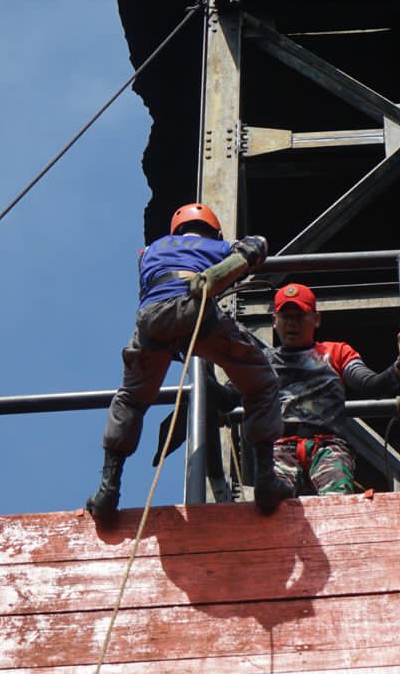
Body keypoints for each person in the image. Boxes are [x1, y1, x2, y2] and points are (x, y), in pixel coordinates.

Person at [86, 202, 294, 527]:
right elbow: (254, 248)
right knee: (262, 382)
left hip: (151, 321)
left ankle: (107, 490)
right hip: (193, 309)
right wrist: (245, 252)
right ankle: (267, 480)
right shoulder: (215, 246)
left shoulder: (150, 252)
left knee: (131, 399)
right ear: (214, 229)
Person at [266, 282, 400, 496]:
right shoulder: (263, 361)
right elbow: (231, 395)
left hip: (328, 446)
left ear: (316, 319)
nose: (292, 324)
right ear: (274, 321)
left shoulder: (337, 352)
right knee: (272, 498)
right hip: (280, 447)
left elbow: (370, 385)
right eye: (286, 317)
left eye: (299, 316)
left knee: (337, 495)